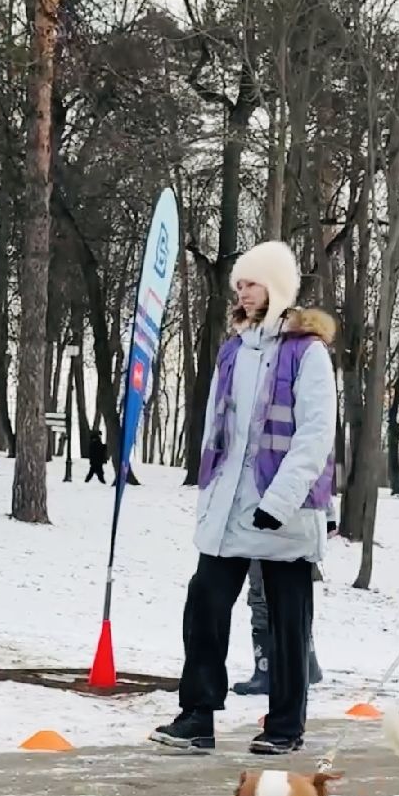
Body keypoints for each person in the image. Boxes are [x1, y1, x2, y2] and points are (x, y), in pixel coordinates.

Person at [150, 241, 337, 755]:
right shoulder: (233, 348)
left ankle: (284, 725)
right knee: (205, 604)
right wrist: (210, 493)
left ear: (275, 288)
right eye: (239, 283)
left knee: (287, 619)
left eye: (251, 282)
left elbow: (316, 435)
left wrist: (278, 501)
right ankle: (197, 715)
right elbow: (218, 426)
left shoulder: (307, 351)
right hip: (229, 507)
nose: (242, 291)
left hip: (285, 509)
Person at [235, 496, 336, 697]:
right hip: (298, 524)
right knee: (292, 602)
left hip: (268, 524)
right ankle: (307, 663)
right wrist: (328, 514)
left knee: (263, 597)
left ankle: (266, 670)